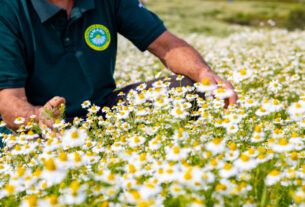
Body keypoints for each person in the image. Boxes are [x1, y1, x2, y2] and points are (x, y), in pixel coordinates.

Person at [0, 0, 237, 134]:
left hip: (102, 112)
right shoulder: (8, 9)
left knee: (192, 89)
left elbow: (168, 46)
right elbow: (9, 102)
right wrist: (38, 117)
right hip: (40, 126)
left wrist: (204, 75)